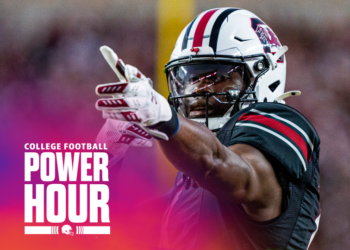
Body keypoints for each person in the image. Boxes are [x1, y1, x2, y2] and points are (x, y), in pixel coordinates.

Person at [95, 8, 321, 250]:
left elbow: (222, 166)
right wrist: (104, 156)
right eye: (191, 79)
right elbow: (119, 226)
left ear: (264, 74)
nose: (199, 91)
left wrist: (164, 118)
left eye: (219, 76)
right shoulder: (192, 181)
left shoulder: (281, 124)